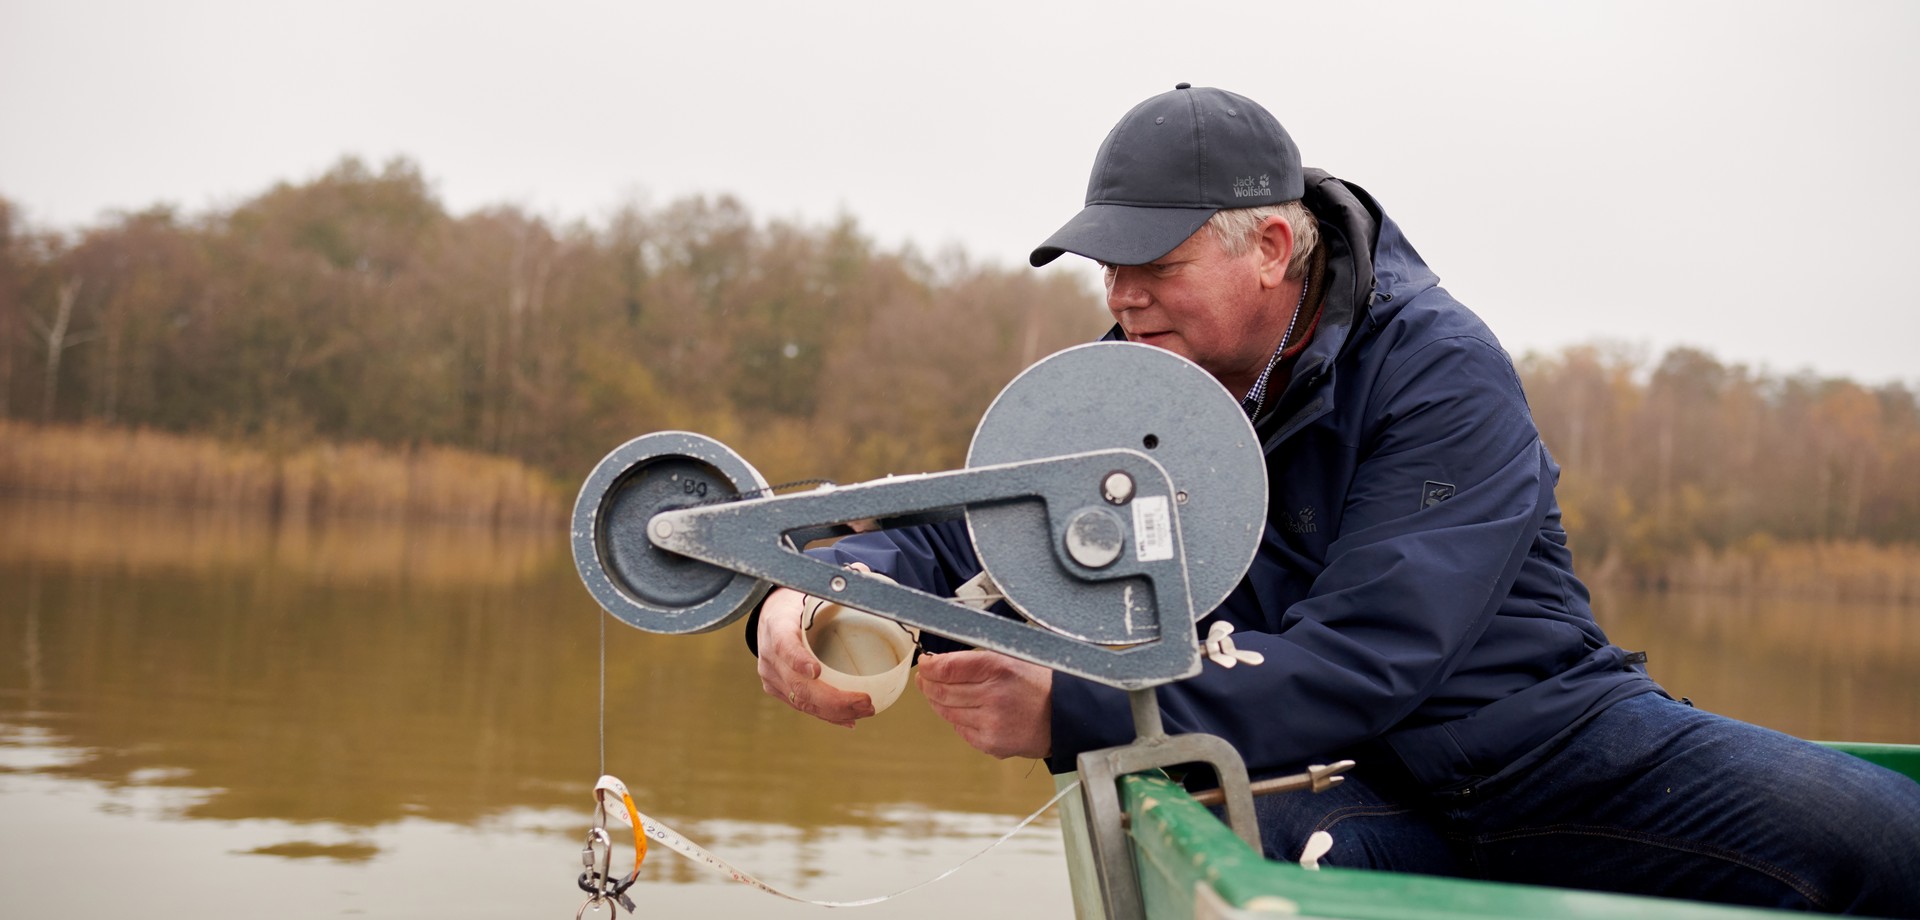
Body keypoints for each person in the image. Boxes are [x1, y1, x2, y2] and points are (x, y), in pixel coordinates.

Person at [747, 84, 1920, 913]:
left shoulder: (1440, 366)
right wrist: (813, 596)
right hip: (1336, 789)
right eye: (1111, 268)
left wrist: (1073, 710)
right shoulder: (1132, 379)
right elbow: (961, 524)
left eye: (1155, 266)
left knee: (1889, 849)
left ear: (1269, 244)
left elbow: (1365, 657)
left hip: (1551, 754)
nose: (1124, 296)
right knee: (1275, 860)